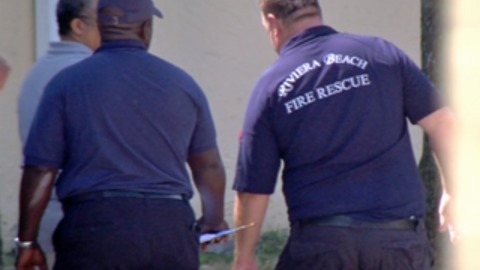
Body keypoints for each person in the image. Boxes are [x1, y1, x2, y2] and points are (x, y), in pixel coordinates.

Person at [232, 1, 456, 269]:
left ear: (273, 23)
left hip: (322, 245)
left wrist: (244, 257)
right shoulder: (380, 53)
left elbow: (253, 189)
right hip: (397, 240)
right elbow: (443, 122)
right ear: (315, 9)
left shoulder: (270, 87)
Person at [15, 0, 228, 269]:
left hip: (95, 229)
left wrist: (27, 241)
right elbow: (208, 164)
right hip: (169, 228)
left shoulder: (65, 84)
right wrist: (213, 220)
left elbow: (40, 169)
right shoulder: (183, 84)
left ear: (100, 27)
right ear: (145, 28)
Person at [17, 0, 101, 267]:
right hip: (78, 221)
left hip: (44, 218)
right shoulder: (87, 75)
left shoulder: (39, 70)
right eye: (105, 20)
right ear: (78, 25)